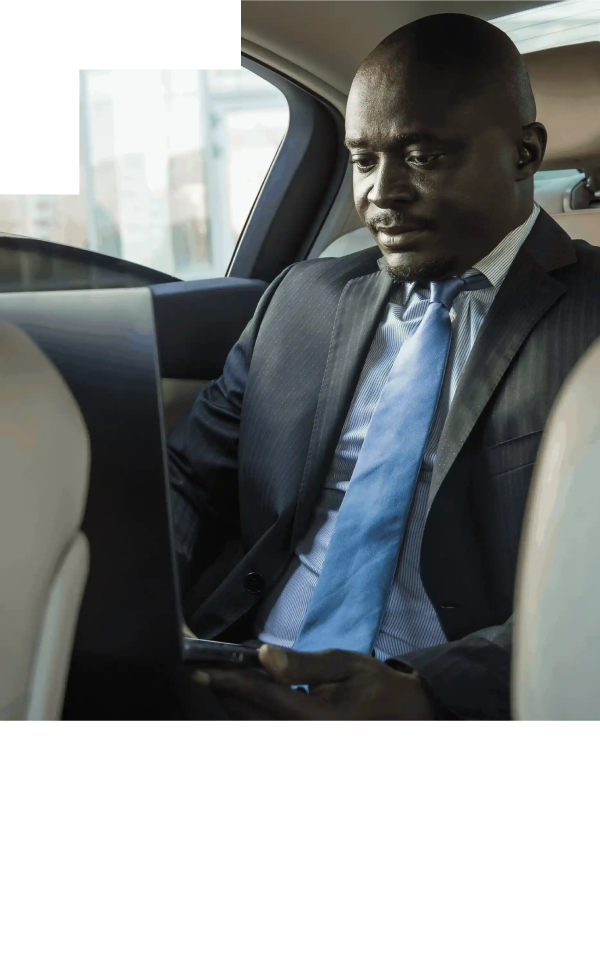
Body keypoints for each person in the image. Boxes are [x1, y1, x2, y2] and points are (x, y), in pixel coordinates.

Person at [168, 13, 600, 721]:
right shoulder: (300, 300)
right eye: (364, 159)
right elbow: (186, 477)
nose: (379, 193)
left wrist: (431, 689)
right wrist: (158, 613)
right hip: (240, 674)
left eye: (424, 157)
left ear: (525, 154)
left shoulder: (592, 318)